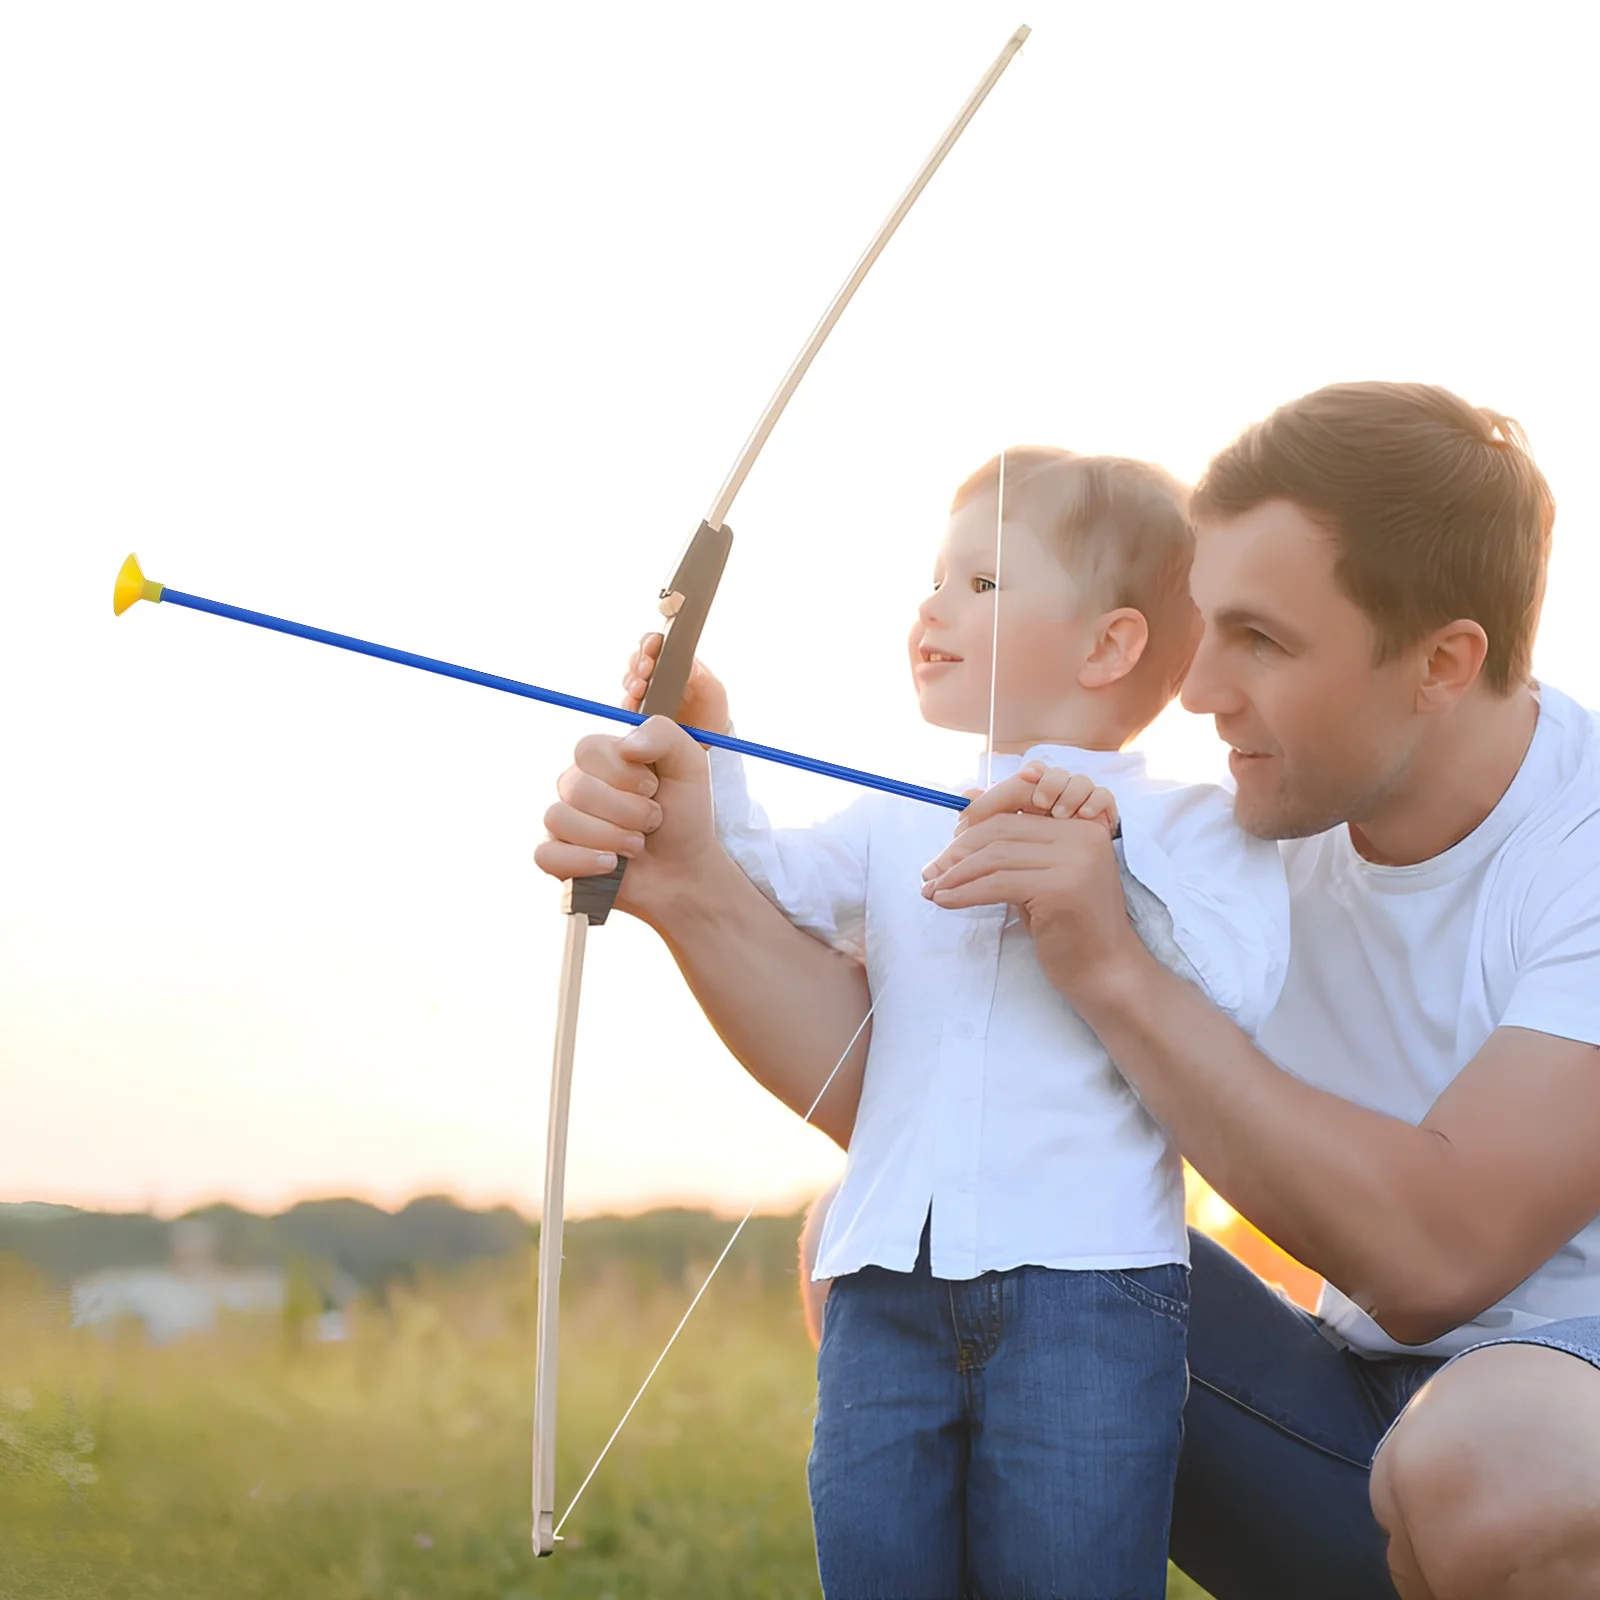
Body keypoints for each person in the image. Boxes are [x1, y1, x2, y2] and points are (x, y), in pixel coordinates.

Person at [537, 382, 1600, 1599]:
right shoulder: (1233, 817)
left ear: (1442, 661)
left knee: (1497, 1461)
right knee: (892, 1239)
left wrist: (1108, 966)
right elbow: (935, 1105)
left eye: (1263, 639)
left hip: (1553, 1425)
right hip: (1351, 1423)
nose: (1199, 690)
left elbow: (1437, 1258)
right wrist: (691, 879)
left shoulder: (1577, 838)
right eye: (1207, 627)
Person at [572, 448, 1290, 1599]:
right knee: (877, 1564)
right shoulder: (897, 814)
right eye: (935, 578)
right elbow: (766, 881)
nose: (932, 607)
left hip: (1088, 1290)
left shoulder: (1188, 827)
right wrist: (711, 743)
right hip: (881, 1278)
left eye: (983, 585)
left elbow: (1235, 986)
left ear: (1108, 645)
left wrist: (1101, 862)